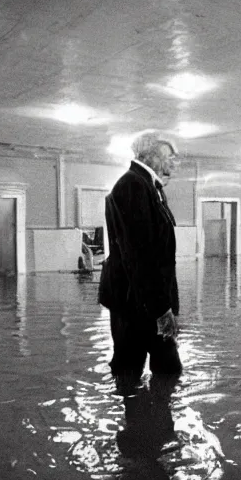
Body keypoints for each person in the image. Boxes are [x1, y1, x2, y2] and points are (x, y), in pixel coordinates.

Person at [98, 133, 182, 379]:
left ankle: (145, 413)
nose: (173, 163)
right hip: (136, 303)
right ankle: (145, 415)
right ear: (150, 156)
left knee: (147, 369)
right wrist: (161, 308)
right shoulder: (133, 185)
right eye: (169, 157)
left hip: (142, 299)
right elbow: (140, 254)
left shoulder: (148, 186)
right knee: (147, 370)